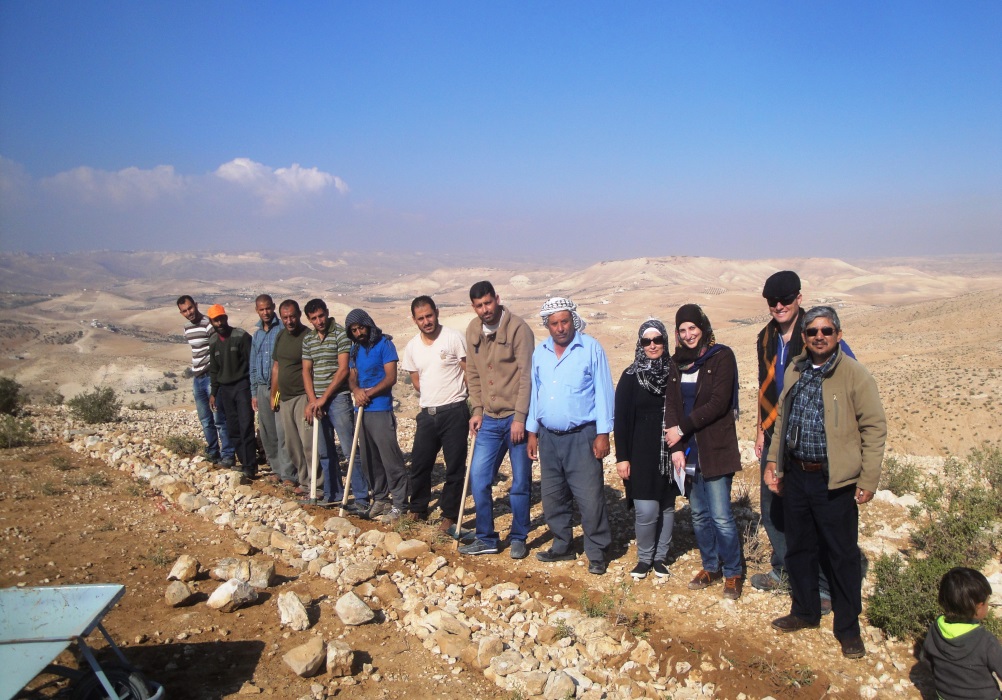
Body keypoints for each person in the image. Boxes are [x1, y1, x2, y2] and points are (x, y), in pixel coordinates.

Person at [765, 306, 886, 659]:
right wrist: (775, 462)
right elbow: (783, 420)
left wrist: (869, 478)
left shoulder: (854, 375)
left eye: (827, 331)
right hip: (797, 475)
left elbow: (874, 429)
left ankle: (848, 629)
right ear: (804, 336)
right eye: (813, 331)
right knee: (799, 547)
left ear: (838, 335)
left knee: (842, 554)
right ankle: (805, 611)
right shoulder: (795, 369)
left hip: (835, 481)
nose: (820, 336)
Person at [752, 271, 853, 610]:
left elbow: (847, 380)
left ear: (798, 297)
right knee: (772, 508)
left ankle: (823, 588)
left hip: (810, 440)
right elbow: (763, 387)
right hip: (774, 434)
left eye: (784, 299)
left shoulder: (816, 333)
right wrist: (758, 430)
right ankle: (785, 569)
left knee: (814, 514)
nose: (778, 306)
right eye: (772, 301)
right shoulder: (766, 337)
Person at [526, 297, 614, 576]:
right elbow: (534, 395)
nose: (560, 327)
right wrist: (532, 432)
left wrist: (603, 434)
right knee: (552, 496)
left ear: (572, 320)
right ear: (547, 325)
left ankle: (597, 550)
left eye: (565, 321)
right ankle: (562, 544)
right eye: (554, 323)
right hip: (549, 438)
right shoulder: (539, 352)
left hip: (583, 437)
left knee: (589, 497)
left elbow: (603, 392)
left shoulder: (590, 348)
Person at [664, 304, 744, 600]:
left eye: (692, 328)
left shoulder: (721, 356)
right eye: (682, 330)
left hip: (714, 446)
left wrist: (680, 430)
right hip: (687, 450)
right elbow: (671, 404)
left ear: (703, 327)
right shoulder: (677, 363)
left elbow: (718, 403)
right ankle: (710, 566)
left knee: (721, 515)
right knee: (698, 514)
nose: (688, 335)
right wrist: (676, 445)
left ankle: (733, 572)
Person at [458, 281, 535, 559]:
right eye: (479, 305)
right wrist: (476, 410)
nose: (484, 309)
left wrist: (521, 418)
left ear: (497, 299)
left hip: (516, 417)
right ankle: (486, 537)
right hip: (489, 419)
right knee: (479, 478)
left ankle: (519, 536)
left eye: (488, 303)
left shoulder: (518, 329)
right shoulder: (473, 330)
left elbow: (527, 376)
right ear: (473, 306)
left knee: (520, 482)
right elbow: (474, 375)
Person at [614, 319, 680, 580]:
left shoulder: (676, 373)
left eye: (657, 340)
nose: (653, 345)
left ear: (665, 340)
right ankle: (644, 558)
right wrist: (622, 458)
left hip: (669, 451)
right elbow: (620, 420)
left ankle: (661, 558)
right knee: (646, 509)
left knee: (667, 505)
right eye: (646, 341)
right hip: (640, 452)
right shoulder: (630, 376)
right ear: (640, 344)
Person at [401, 295, 470, 535]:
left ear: (437, 312)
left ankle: (449, 515)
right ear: (414, 320)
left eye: (429, 315)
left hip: (454, 411)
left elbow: (468, 370)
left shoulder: (453, 338)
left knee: (455, 467)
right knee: (420, 463)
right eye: (421, 318)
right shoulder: (412, 347)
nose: (426, 321)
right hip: (427, 413)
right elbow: (416, 381)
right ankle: (418, 507)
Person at [302, 298, 369, 512]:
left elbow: (342, 370)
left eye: (321, 316)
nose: (319, 321)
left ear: (327, 313)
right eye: (314, 318)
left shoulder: (340, 334)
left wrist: (323, 398)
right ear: (309, 320)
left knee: (350, 448)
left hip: (338, 398)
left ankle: (361, 497)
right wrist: (313, 400)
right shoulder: (309, 339)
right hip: (318, 401)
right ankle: (333, 494)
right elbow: (306, 371)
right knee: (324, 450)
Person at [345, 308, 409, 522]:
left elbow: (391, 378)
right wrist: (356, 391)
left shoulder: (385, 345)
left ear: (368, 325)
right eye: (353, 330)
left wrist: (367, 393)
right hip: (361, 411)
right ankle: (380, 499)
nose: (358, 332)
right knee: (369, 458)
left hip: (380, 408)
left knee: (390, 457)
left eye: (361, 327)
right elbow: (352, 376)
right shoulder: (355, 350)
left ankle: (400, 503)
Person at [922, 567, 1002, 700]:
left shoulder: (935, 630)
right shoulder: (985, 641)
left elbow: (927, 661)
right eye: (987, 601)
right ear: (978, 607)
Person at [177, 295, 234, 467]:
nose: (189, 313)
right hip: (197, 378)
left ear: (196, 305)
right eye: (184, 311)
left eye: (190, 308)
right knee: (205, 419)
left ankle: (228, 455)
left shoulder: (209, 325)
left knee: (219, 418)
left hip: (211, 376)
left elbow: (218, 348)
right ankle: (213, 453)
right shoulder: (187, 328)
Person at [205, 305, 256, 480]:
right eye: (215, 320)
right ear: (211, 322)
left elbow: (252, 363)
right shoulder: (213, 342)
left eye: (221, 318)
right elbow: (214, 369)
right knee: (233, 428)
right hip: (225, 390)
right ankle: (244, 462)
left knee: (246, 426)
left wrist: (253, 389)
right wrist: (214, 392)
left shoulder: (240, 336)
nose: (219, 322)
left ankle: (250, 466)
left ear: (226, 318)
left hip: (242, 386)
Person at [269, 299, 314, 498]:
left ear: (299, 315)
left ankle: (315, 485)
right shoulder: (280, 336)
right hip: (285, 398)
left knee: (308, 443)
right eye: (285, 317)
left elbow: (312, 369)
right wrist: (273, 394)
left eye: (293, 316)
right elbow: (277, 367)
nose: (289, 321)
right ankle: (303, 481)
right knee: (293, 443)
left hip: (302, 396)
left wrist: (312, 400)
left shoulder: (308, 337)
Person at [250, 294, 294, 487]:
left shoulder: (283, 329)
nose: (266, 312)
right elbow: (253, 364)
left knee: (282, 430)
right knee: (267, 432)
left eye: (268, 308)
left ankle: (288, 474)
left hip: (279, 388)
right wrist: (254, 393)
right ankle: (276, 469)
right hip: (261, 387)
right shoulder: (257, 335)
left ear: (273, 307)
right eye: (262, 309)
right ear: (257, 310)